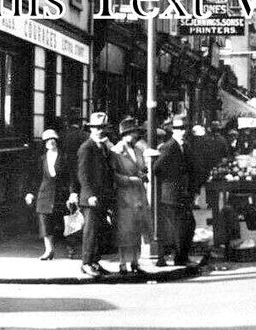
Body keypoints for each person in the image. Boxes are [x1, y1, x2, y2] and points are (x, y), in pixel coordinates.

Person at [75, 112, 116, 276]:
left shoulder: (102, 147)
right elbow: (82, 174)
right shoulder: (87, 147)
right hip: (91, 197)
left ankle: (95, 261)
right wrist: (90, 194)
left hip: (101, 196)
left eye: (103, 128)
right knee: (90, 231)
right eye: (97, 127)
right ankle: (86, 262)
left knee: (98, 230)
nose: (100, 131)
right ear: (91, 128)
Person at [154, 115, 199, 266]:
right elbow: (157, 168)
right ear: (173, 130)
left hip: (181, 193)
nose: (182, 131)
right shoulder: (169, 146)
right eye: (178, 129)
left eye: (184, 128)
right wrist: (170, 178)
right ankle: (180, 258)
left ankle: (182, 256)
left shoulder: (183, 146)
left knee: (187, 224)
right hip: (172, 194)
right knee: (182, 226)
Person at [24, 128, 73, 261]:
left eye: (53, 140)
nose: (51, 142)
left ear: (57, 141)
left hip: (61, 194)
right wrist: (30, 193)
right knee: (45, 222)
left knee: (64, 223)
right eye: (47, 140)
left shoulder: (65, 157)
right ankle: (49, 250)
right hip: (44, 194)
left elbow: (71, 177)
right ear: (44, 144)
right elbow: (35, 178)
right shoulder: (41, 159)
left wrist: (72, 193)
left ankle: (70, 249)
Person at [111, 117, 150, 274]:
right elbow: (113, 174)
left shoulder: (138, 150)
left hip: (138, 195)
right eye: (132, 133)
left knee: (137, 228)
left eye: (135, 133)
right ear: (124, 134)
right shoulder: (116, 152)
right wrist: (130, 179)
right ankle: (122, 263)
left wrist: (142, 173)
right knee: (124, 230)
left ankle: (135, 261)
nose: (135, 136)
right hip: (124, 195)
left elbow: (141, 168)